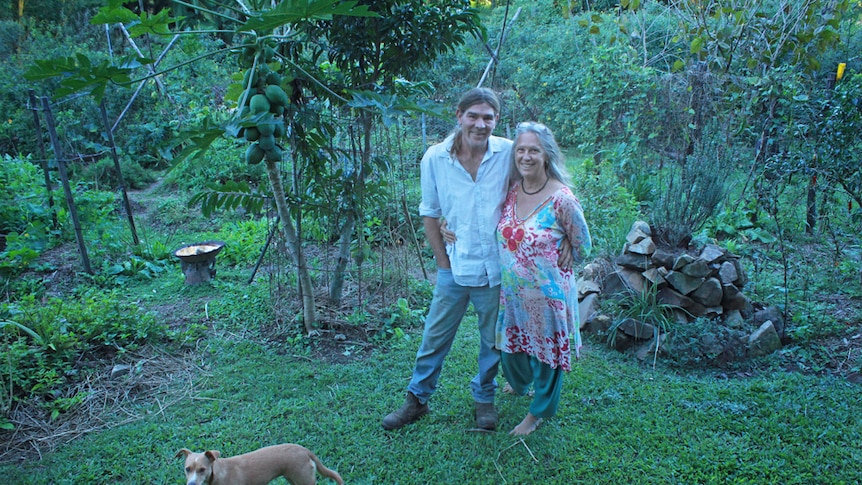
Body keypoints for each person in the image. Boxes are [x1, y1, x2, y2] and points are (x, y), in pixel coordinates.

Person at [382, 87, 511, 431]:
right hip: (455, 265)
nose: (481, 124)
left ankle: (484, 399)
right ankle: (417, 400)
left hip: (496, 268)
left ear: (496, 120)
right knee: (435, 336)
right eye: (474, 116)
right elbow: (430, 213)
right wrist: (442, 263)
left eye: (488, 117)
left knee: (492, 340)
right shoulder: (435, 158)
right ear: (459, 115)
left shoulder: (508, 154)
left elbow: (536, 188)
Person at [496, 121, 591, 436]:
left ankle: (537, 414)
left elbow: (584, 243)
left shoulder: (562, 198)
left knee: (545, 355)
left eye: (533, 150)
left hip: (547, 294)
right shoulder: (512, 191)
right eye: (520, 150)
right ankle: (521, 384)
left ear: (546, 155)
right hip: (512, 293)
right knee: (511, 350)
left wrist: (568, 245)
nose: (526, 156)